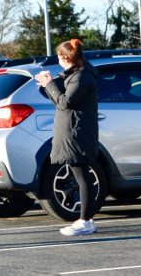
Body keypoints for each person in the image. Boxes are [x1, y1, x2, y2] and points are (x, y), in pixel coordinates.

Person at [34, 38, 100, 236]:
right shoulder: (74, 75)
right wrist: (47, 84)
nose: (58, 61)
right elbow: (60, 99)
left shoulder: (82, 77)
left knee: (82, 175)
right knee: (80, 174)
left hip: (78, 133)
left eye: (59, 57)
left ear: (65, 57)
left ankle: (85, 221)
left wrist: (50, 84)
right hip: (72, 131)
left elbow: (66, 102)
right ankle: (85, 219)